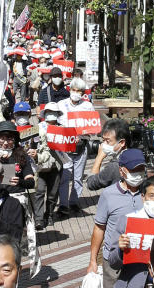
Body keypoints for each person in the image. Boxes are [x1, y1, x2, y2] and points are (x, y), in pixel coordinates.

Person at [87, 148, 147, 288]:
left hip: (140, 258)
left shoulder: (149, 192)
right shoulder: (108, 194)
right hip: (114, 260)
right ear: (122, 171)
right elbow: (99, 227)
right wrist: (93, 260)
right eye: (133, 170)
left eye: (141, 170)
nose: (138, 174)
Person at [59, 77, 96, 212]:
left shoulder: (88, 106)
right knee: (65, 176)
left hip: (81, 144)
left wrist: (85, 133)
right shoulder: (61, 104)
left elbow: (93, 127)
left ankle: (74, 202)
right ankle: (63, 204)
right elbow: (56, 124)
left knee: (78, 176)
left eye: (79, 91)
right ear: (70, 90)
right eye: (74, 90)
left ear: (82, 92)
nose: (76, 93)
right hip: (65, 146)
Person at [87, 118, 130, 191]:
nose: (103, 144)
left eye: (108, 141)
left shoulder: (114, 166)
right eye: (103, 140)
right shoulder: (136, 157)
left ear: (122, 142)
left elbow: (91, 184)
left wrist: (98, 158)